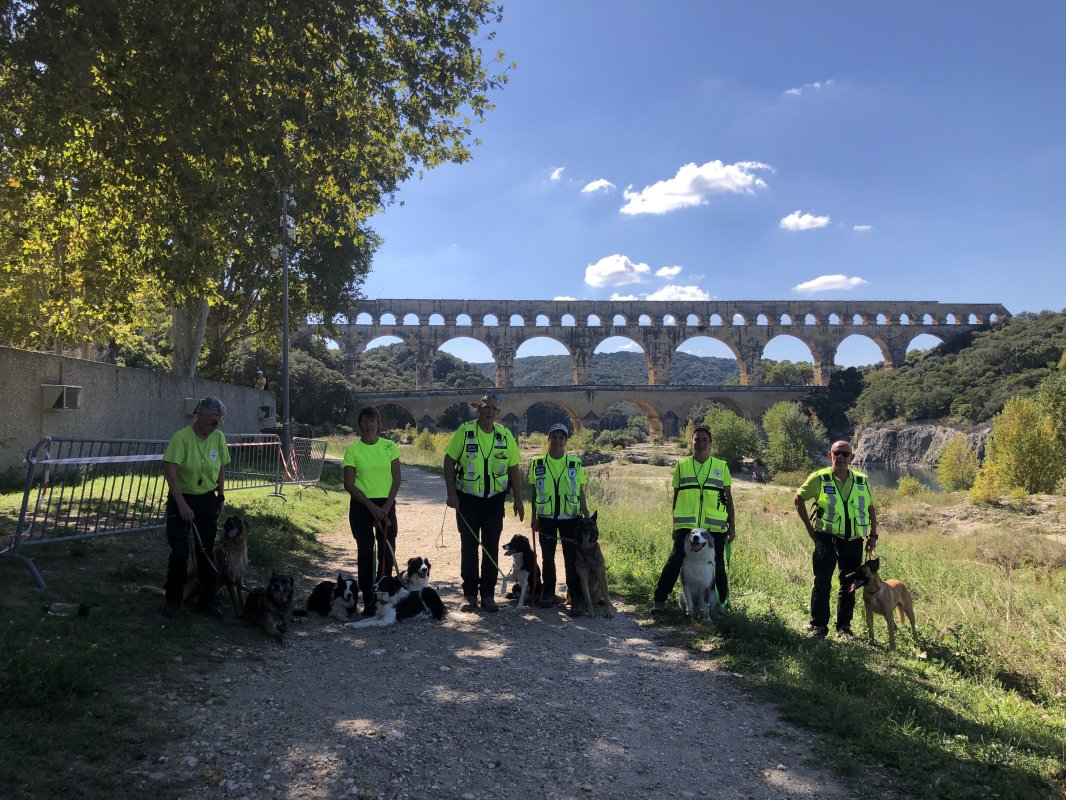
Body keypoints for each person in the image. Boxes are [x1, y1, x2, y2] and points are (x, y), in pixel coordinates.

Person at [443, 392, 524, 612]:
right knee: (469, 546)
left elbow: (514, 468)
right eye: (487, 407)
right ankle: (470, 594)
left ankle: (488, 595)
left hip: (494, 501)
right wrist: (451, 493)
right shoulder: (465, 431)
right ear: (479, 408)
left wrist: (518, 499)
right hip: (467, 499)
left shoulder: (504, 435)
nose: (490, 412)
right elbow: (449, 461)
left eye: (495, 409)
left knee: (490, 547)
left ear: (499, 412)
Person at [793, 440, 878, 639]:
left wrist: (873, 536)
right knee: (822, 582)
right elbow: (798, 499)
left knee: (849, 584)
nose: (840, 457)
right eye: (837, 453)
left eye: (845, 454)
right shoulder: (820, 478)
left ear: (852, 458)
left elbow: (871, 509)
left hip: (854, 540)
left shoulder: (861, 480)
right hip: (827, 538)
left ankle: (844, 628)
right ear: (830, 455)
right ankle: (819, 626)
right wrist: (810, 530)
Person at [652, 426, 735, 614]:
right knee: (675, 561)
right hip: (687, 527)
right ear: (691, 442)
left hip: (714, 527)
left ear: (710, 443)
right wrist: (674, 525)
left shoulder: (721, 467)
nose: (701, 443)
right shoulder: (681, 466)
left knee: (718, 566)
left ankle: (723, 606)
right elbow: (676, 497)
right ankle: (659, 601)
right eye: (697, 439)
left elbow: (729, 499)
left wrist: (732, 527)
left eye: (705, 439)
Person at [161, 397, 232, 619]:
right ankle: (173, 601)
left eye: (219, 423)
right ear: (199, 416)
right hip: (181, 498)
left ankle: (206, 600)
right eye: (213, 422)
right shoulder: (181, 438)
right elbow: (170, 473)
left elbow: (220, 466)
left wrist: (220, 496)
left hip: (207, 500)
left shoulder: (218, 437)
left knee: (206, 552)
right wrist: (181, 505)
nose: (216, 427)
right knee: (180, 553)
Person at [342, 406, 401, 616]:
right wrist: (371, 507)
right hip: (362, 506)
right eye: (365, 421)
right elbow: (348, 483)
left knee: (386, 552)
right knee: (366, 553)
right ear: (360, 425)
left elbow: (397, 478)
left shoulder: (390, 446)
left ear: (378, 424)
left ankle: (385, 598)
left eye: (373, 421)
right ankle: (368, 600)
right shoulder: (353, 450)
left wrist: (385, 507)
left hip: (386, 505)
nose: (369, 425)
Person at [528, 422, 589, 614]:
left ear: (566, 441)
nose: (557, 441)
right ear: (549, 439)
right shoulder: (537, 463)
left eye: (561, 438)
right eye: (554, 437)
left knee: (571, 559)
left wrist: (587, 514)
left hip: (570, 518)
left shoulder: (575, 463)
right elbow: (533, 492)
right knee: (547, 558)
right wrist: (533, 517)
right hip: (546, 517)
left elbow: (580, 491)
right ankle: (548, 594)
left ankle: (576, 597)